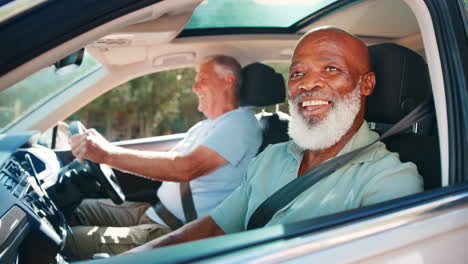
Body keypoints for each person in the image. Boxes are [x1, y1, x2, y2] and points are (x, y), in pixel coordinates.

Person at [125, 27, 423, 253]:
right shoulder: (271, 157)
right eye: (297, 73)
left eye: (330, 69)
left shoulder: (389, 180)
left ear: (366, 84)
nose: (307, 83)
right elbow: (215, 229)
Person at [66, 55, 263, 259]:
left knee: (65, 239)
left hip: (175, 233)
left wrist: (106, 153)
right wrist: (106, 153)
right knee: (75, 209)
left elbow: (184, 168)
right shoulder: (204, 126)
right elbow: (165, 161)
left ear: (228, 81)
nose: (195, 88)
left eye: (202, 79)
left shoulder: (240, 123)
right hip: (152, 213)